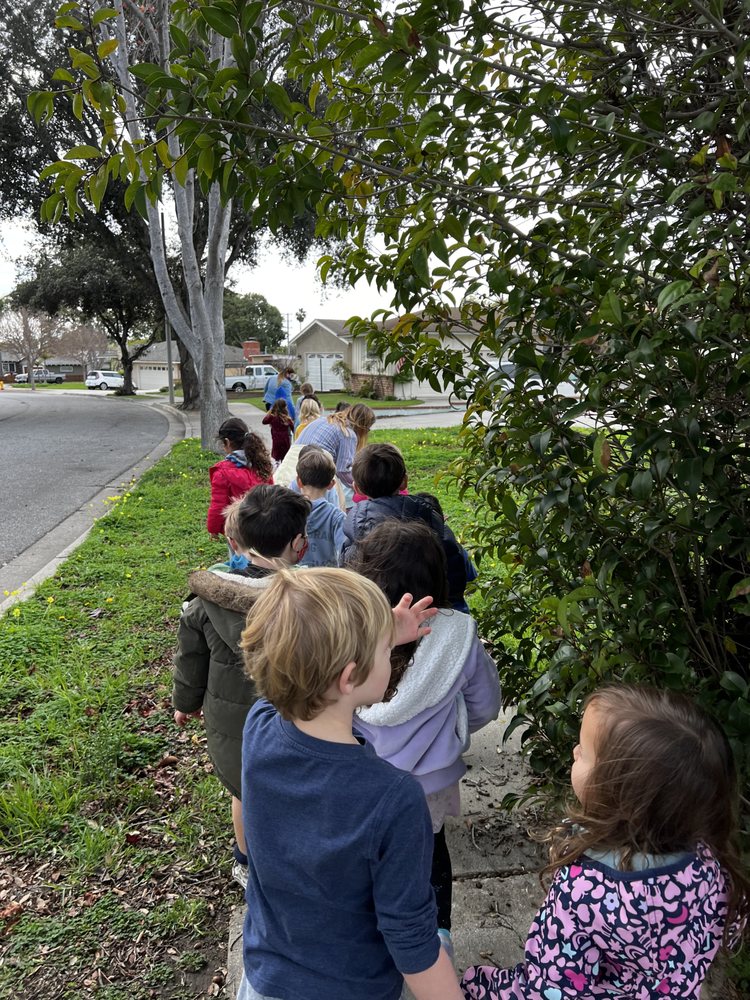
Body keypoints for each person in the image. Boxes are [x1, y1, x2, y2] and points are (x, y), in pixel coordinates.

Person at [237, 567, 464, 1000]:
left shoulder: (259, 727)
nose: (391, 654)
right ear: (349, 676)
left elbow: (297, 667)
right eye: (384, 651)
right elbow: (412, 941)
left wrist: (379, 634)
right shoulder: (393, 798)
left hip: (266, 979)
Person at [461, 685, 750, 1000]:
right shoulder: (710, 863)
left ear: (622, 795)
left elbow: (554, 983)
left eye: (584, 752)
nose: (574, 752)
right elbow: (718, 932)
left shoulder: (583, 889)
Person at [349, 520, 501, 954]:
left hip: (365, 778)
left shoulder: (354, 630)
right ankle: (438, 939)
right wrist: (455, 730)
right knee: (431, 853)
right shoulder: (458, 635)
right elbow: (486, 704)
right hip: (430, 784)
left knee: (372, 856)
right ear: (439, 578)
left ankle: (373, 931)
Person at [172, 485, 311, 889]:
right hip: (298, 718)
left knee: (244, 792)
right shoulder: (314, 599)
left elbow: (191, 660)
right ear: (299, 544)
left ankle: (246, 862)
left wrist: (185, 703)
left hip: (234, 726)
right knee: (296, 790)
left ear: (237, 540)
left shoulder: (204, 602)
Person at [342, 442, 471, 610]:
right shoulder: (431, 519)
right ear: (404, 481)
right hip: (434, 611)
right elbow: (454, 565)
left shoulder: (353, 531)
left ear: (356, 488)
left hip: (380, 617)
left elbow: (348, 580)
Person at [296, 402, 375, 505]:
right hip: (313, 464)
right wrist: (361, 486)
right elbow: (343, 471)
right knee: (336, 503)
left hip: (294, 462)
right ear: (363, 427)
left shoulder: (325, 420)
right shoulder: (347, 433)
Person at [206, 418, 273, 539]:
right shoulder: (262, 464)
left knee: (239, 556)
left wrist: (213, 529)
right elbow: (271, 493)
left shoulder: (222, 472)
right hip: (263, 525)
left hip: (236, 530)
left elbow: (218, 505)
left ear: (227, 442)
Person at [295, 446, 345, 566]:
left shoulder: (289, 512)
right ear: (331, 484)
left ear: (299, 482)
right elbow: (344, 552)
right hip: (325, 579)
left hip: (296, 578)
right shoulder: (337, 517)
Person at [262, 399, 294, 463]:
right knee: (285, 456)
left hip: (276, 439)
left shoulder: (272, 418)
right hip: (285, 439)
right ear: (285, 407)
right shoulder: (287, 419)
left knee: (276, 456)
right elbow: (293, 429)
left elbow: (264, 421)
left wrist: (270, 412)